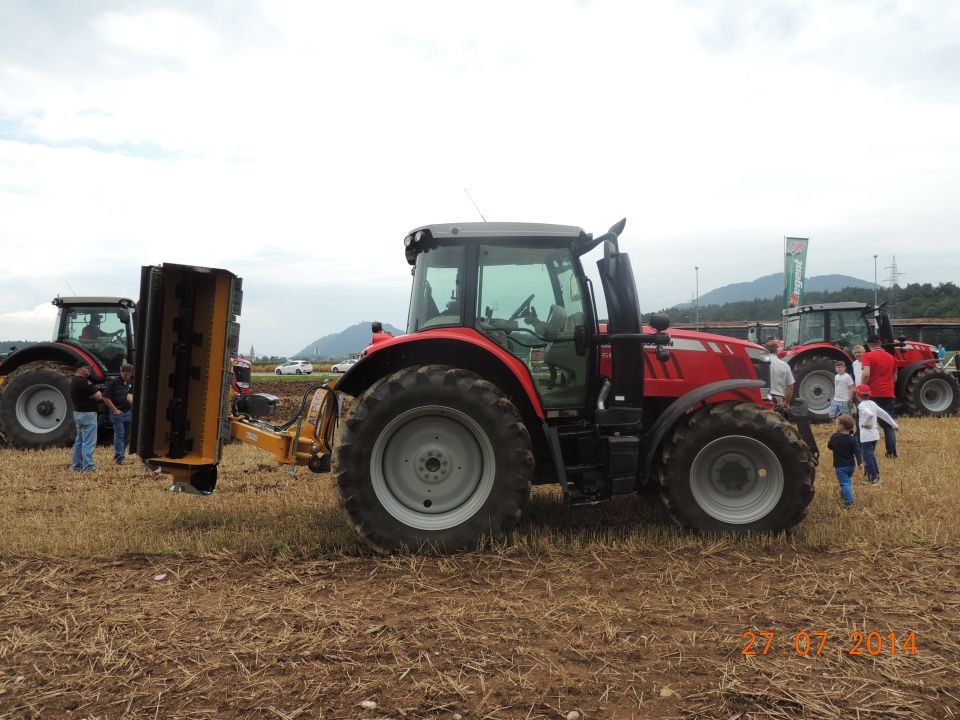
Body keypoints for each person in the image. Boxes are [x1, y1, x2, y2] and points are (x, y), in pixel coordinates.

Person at [861, 334, 898, 458]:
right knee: (888, 425)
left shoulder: (867, 356)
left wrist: (861, 387)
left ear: (869, 344)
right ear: (880, 344)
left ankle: (869, 452)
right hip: (888, 394)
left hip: (873, 394)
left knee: (870, 424)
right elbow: (895, 378)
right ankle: (891, 453)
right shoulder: (891, 357)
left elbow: (866, 374)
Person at [854, 384, 898, 487]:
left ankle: (873, 479)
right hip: (874, 435)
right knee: (871, 456)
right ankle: (875, 476)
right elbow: (884, 414)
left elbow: (869, 414)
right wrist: (894, 424)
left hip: (866, 436)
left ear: (858, 395)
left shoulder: (861, 405)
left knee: (867, 457)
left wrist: (864, 424)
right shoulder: (873, 403)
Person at [70, 360, 102, 472]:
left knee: (79, 441)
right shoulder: (85, 382)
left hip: (78, 414)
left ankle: (76, 466)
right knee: (88, 442)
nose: (89, 369)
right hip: (88, 415)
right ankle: (89, 467)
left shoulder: (73, 381)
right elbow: (98, 396)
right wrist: (94, 395)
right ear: (79, 369)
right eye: (86, 367)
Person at [102, 363, 134, 464]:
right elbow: (105, 397)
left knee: (127, 436)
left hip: (128, 412)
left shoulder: (131, 382)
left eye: (129, 374)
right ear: (121, 372)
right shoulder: (114, 382)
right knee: (119, 435)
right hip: (118, 413)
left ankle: (120, 454)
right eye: (125, 374)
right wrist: (114, 409)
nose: (127, 376)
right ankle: (120, 458)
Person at [827, 414, 860, 507]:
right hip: (851, 466)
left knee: (844, 483)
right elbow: (857, 451)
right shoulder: (853, 439)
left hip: (840, 466)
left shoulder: (835, 437)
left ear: (841, 426)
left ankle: (849, 502)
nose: (835, 426)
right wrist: (860, 462)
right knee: (847, 481)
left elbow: (829, 446)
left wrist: (834, 434)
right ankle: (844, 494)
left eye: (836, 424)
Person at [765, 340, 795, 410]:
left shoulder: (760, 363)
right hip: (778, 399)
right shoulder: (785, 365)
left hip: (763, 398)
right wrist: (787, 402)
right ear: (776, 351)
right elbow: (790, 387)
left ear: (765, 350)